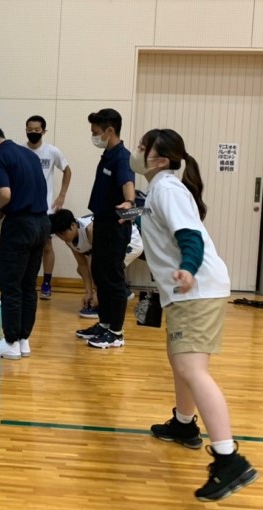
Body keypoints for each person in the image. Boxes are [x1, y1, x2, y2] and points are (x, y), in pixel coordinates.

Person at [132, 128, 258, 502]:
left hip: (194, 289)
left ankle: (229, 459)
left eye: (142, 147)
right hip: (188, 291)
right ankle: (184, 424)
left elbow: (190, 235)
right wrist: (133, 214)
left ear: (160, 160)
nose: (137, 151)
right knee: (180, 361)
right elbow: (161, 223)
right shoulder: (160, 188)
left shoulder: (167, 189)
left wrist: (187, 268)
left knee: (192, 369)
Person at [0, 122, 50, 360]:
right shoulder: (29, 154)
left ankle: (10, 342)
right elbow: (20, 186)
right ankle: (23, 340)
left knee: (10, 286)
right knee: (28, 286)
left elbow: (6, 195)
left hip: (19, 226)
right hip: (41, 224)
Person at [75, 108, 136, 349]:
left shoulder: (122, 157)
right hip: (101, 223)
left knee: (113, 279)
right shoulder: (108, 154)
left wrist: (129, 202)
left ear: (110, 131)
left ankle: (116, 333)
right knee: (100, 274)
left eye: (96, 132)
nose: (94, 136)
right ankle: (105, 324)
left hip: (115, 226)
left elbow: (128, 183)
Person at [50, 209, 143, 319]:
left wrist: (97, 292)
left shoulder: (89, 230)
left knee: (102, 267)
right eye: (59, 235)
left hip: (130, 241)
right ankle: (121, 291)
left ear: (73, 225)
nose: (62, 238)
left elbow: (97, 262)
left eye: (63, 234)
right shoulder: (68, 240)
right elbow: (82, 265)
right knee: (83, 269)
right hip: (111, 247)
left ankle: (113, 297)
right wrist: (89, 292)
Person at [24, 115, 72, 299]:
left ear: (44, 131)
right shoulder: (20, 150)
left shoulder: (52, 151)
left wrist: (62, 195)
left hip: (46, 209)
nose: (33, 132)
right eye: (29, 129)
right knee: (26, 246)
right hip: (24, 208)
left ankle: (46, 283)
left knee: (46, 246)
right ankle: (26, 282)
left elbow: (67, 170)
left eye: (37, 130)